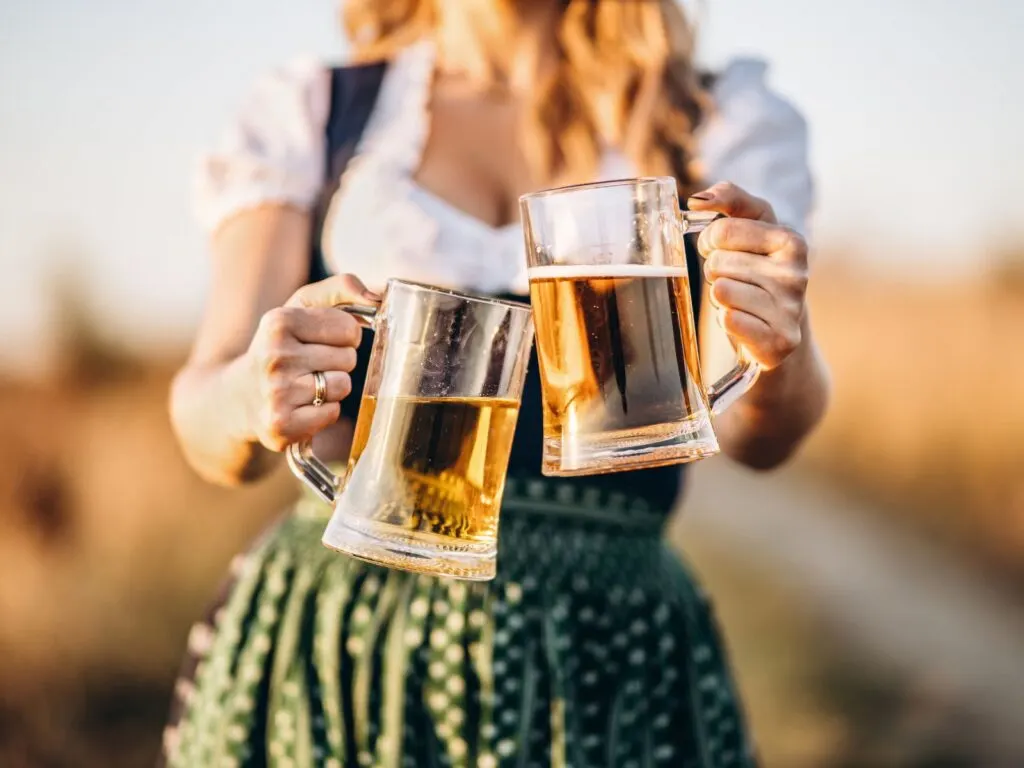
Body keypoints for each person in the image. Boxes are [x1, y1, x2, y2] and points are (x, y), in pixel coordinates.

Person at [163, 1, 830, 765]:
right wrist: (252, 391)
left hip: (608, 645)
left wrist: (782, 341)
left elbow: (757, 435)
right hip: (347, 636)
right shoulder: (320, 112)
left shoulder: (709, 119)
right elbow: (206, 420)